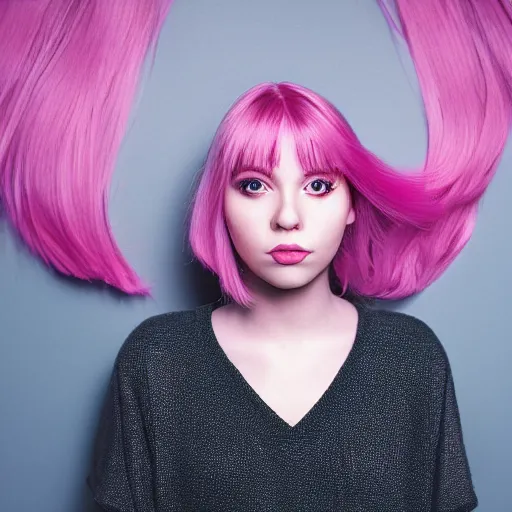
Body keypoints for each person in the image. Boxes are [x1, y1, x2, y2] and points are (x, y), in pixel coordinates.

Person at [86, 82, 478, 511]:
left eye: (318, 186)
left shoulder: (411, 359)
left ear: (352, 203)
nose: (288, 217)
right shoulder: (157, 360)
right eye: (254, 186)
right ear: (220, 202)